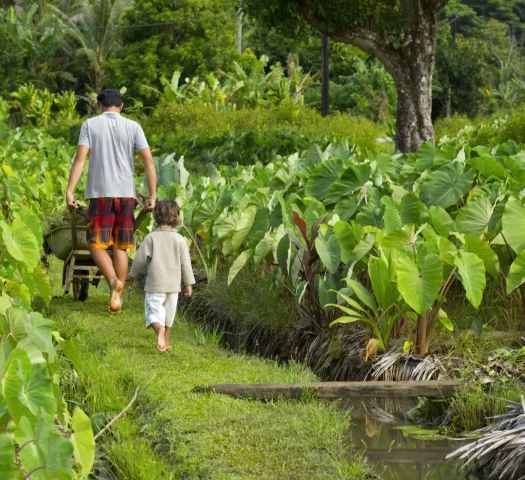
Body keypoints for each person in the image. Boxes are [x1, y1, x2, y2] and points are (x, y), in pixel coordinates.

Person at [66, 89, 157, 314]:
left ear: (99, 105)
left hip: (100, 193)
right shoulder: (133, 126)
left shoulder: (90, 125)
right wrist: (152, 196)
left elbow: (80, 158)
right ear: (121, 106)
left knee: (95, 244)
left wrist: (69, 191)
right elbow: (148, 161)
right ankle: (116, 296)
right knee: (120, 246)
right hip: (126, 195)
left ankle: (114, 281)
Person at [129, 199, 195, 352]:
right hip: (173, 286)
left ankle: (159, 331)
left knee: (153, 312)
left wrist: (132, 274)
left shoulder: (151, 238)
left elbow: (139, 260)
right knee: (169, 314)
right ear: (176, 217)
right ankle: (165, 341)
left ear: (156, 217)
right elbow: (186, 263)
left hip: (155, 285)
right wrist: (188, 284)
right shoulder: (179, 240)